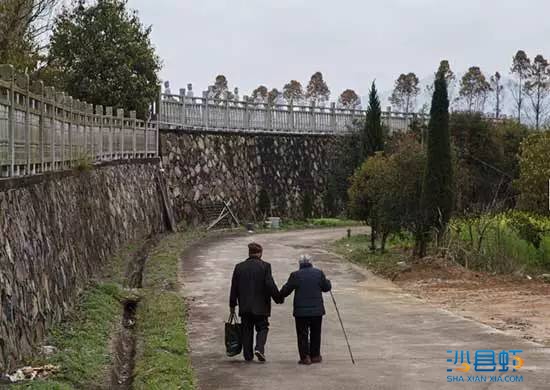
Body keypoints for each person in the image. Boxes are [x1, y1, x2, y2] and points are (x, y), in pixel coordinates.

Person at [229, 242, 282, 362]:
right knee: (263, 327)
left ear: (249, 253)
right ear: (260, 253)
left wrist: (232, 305)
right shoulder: (265, 266)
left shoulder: (239, 267)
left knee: (247, 330)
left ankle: (248, 355)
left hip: (245, 306)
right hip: (261, 306)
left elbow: (234, 288)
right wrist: (278, 298)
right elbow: (270, 284)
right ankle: (259, 348)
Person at [280, 255, 331, 365]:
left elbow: (286, 290)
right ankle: (315, 356)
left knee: (302, 334)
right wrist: (328, 282)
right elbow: (326, 288)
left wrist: (279, 296)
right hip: (317, 311)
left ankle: (305, 357)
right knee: (316, 333)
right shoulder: (319, 273)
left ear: (300, 264)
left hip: (301, 312)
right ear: (311, 263)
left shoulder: (295, 275)